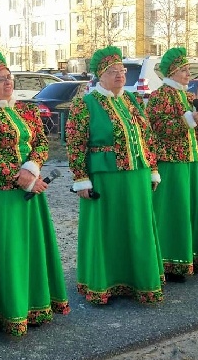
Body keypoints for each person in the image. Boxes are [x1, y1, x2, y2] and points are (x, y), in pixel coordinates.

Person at [0, 50, 69, 336]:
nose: (7, 83)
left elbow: (41, 143)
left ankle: (32, 305)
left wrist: (33, 167)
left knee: (27, 249)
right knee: (6, 250)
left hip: (30, 187)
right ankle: (3, 310)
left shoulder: (25, 110)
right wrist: (21, 178)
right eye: (0, 79)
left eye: (9, 77)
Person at [66, 45, 164, 304]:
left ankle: (138, 281)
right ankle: (104, 284)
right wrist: (80, 178)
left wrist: (152, 168)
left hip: (137, 174)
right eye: (113, 71)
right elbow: (75, 143)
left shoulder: (130, 100)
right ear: (101, 75)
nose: (120, 75)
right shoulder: (85, 103)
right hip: (105, 177)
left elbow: (146, 137)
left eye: (122, 70)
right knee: (107, 230)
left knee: (137, 228)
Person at [146, 47, 198, 281]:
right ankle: (171, 261)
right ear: (172, 71)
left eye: (188, 69)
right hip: (171, 161)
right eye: (183, 69)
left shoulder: (188, 96)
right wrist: (189, 119)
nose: (188, 73)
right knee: (174, 212)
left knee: (192, 210)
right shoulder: (159, 96)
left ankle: (191, 256)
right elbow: (158, 129)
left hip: (191, 160)